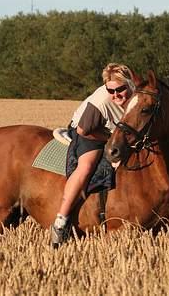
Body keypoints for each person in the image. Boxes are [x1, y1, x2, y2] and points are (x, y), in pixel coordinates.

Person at [51, 63, 136, 247]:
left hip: (118, 133)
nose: (116, 95)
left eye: (120, 89)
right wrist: (110, 138)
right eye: (111, 91)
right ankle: (61, 222)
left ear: (130, 84)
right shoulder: (100, 102)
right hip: (92, 132)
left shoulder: (137, 94)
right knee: (86, 166)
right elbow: (83, 130)